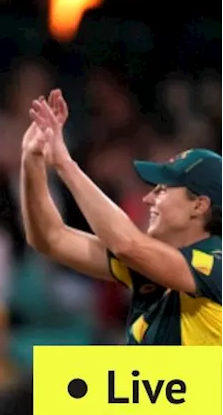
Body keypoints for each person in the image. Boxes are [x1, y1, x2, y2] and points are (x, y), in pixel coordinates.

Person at [22, 90, 223, 346]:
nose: (148, 199)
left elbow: (127, 245)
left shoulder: (216, 264)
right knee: (55, 380)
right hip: (151, 384)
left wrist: (65, 163)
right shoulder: (154, 265)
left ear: (199, 206)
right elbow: (50, 239)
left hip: (198, 387)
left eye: (162, 190)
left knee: (62, 380)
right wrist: (32, 161)